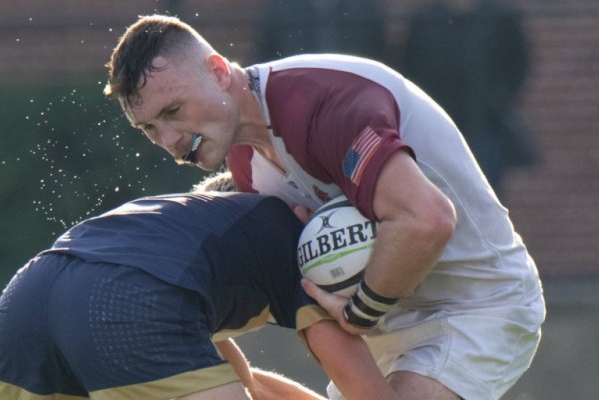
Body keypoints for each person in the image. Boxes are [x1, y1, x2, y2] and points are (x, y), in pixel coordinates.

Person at [103, 15, 545, 400]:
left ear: (218, 71)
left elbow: (426, 220)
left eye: (174, 111)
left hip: (475, 306)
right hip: (388, 323)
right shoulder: (240, 151)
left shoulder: (321, 101)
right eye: (149, 128)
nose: (169, 141)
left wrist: (359, 314)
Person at [0, 176, 394, 400]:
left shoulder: (180, 242)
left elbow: (250, 384)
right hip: (120, 301)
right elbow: (370, 394)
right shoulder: (289, 236)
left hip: (27, 297)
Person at [401, 0, 537, 197]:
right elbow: (410, 67)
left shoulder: (499, 17)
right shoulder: (426, 19)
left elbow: (517, 63)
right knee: (438, 192)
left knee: (486, 194)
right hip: (436, 125)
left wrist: (497, 99)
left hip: (486, 125)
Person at [255, 0, 387, 63]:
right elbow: (267, 57)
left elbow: (378, 54)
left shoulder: (364, 7)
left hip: (353, 93)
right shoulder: (281, 8)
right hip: (299, 94)